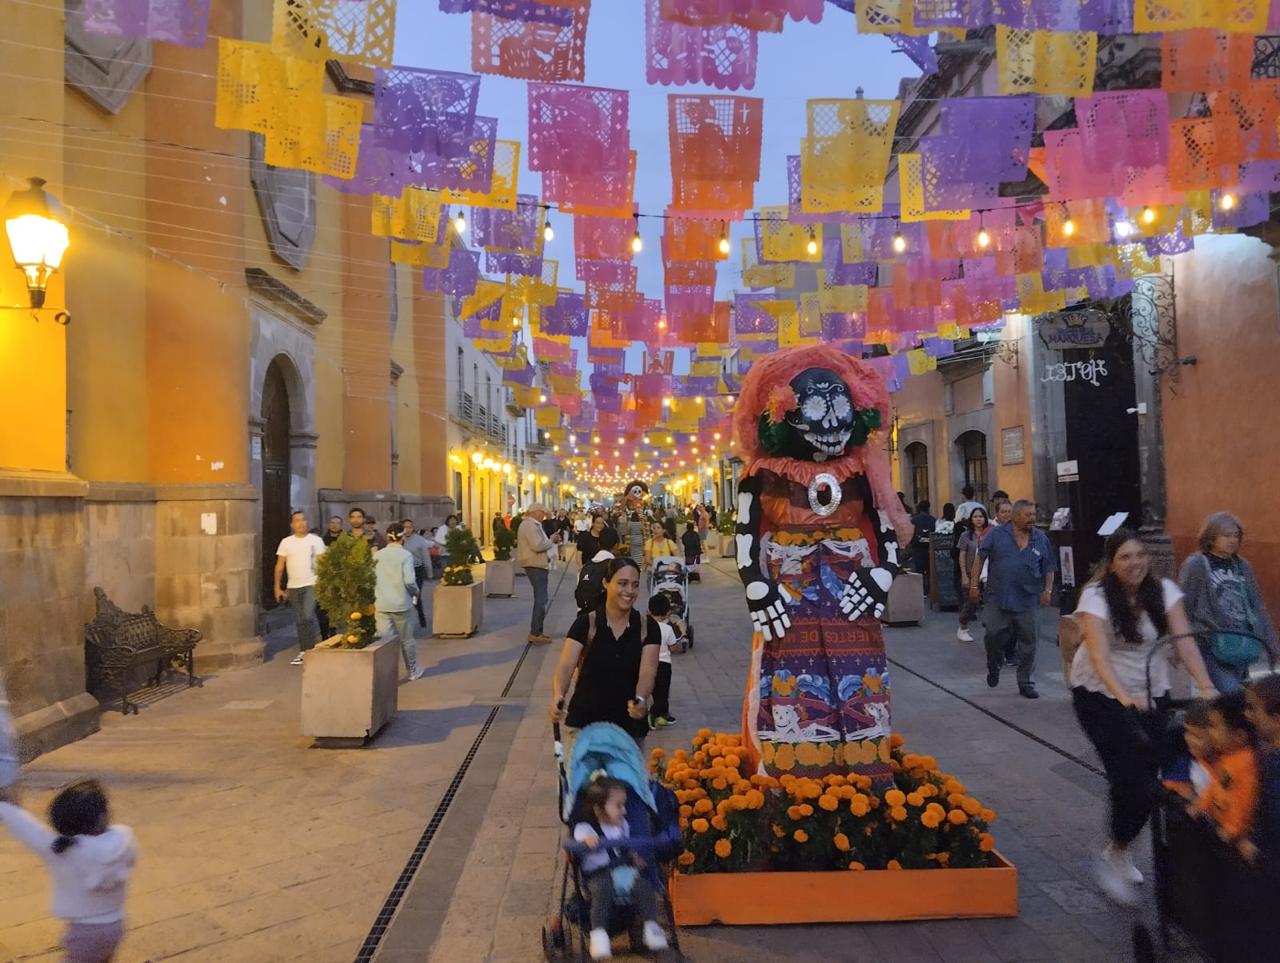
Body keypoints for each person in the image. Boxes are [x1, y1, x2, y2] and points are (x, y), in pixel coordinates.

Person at [1069, 528, 1218, 905]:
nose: (1133, 563)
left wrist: (1205, 685)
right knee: (1130, 775)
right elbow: (1100, 657)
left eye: (1139, 555)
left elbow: (1183, 641)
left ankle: (1119, 846)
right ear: (1112, 563)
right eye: (1124, 557)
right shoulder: (1097, 596)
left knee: (1153, 773)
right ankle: (1117, 850)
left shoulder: (1165, 592)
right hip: (1099, 695)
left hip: (1153, 693)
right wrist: (1125, 698)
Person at [0, 779, 136, 962]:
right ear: (103, 816)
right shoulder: (123, 841)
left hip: (83, 933)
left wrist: (4, 807)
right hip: (115, 926)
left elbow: (31, 830)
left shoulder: (66, 852)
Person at [550, 557, 660, 747]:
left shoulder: (646, 627)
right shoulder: (586, 623)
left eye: (635, 585)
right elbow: (566, 666)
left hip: (628, 729)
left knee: (624, 778)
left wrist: (641, 699)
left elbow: (648, 672)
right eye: (622, 584)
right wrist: (558, 694)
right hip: (584, 727)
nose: (629, 591)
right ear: (606, 583)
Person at [1179, 511, 1278, 695]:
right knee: (1232, 692)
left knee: (1235, 696)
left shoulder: (1242, 565)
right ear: (1211, 536)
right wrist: (1180, 644)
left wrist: (1271, 644)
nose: (1232, 541)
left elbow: (1257, 605)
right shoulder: (1197, 565)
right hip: (1211, 642)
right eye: (1226, 535)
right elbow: (1184, 606)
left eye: (1235, 536)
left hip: (1241, 641)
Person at [572, 776, 669, 960]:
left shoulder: (622, 825)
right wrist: (587, 842)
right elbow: (578, 840)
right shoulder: (586, 828)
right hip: (597, 874)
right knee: (602, 891)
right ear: (599, 809)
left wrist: (634, 856)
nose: (624, 811)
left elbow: (625, 847)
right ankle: (599, 934)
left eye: (624, 805)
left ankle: (652, 927)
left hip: (621, 871)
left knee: (643, 886)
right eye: (618, 806)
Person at [970, 499, 1055, 698]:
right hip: (998, 597)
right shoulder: (997, 534)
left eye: (1033, 515)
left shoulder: (1040, 538)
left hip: (1029, 599)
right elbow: (980, 557)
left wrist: (1048, 591)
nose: (1032, 519)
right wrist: (974, 584)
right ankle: (994, 663)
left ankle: (1025, 682)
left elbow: (1049, 567)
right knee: (993, 634)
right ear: (1015, 516)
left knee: (1029, 642)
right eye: (1028, 515)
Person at [1194, 692, 1259, 843]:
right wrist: (1203, 805)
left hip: (1234, 837)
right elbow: (1216, 785)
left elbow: (1245, 800)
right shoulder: (1226, 757)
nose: (1209, 732)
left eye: (1214, 726)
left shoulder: (1246, 763)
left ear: (1239, 736)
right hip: (1220, 826)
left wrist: (1232, 829)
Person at [273, 511, 326, 666]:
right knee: (300, 620)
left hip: (312, 583)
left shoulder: (316, 541)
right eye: (297, 521)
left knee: (308, 615)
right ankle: (305, 649)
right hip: (293, 586)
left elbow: (322, 564)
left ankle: (318, 646)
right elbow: (279, 567)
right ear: (292, 524)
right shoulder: (286, 542)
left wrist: (324, 584)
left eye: (303, 520)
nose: (301, 523)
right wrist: (277, 587)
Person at [374, 523, 423, 680]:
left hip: (381, 603)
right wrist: (416, 592)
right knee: (407, 640)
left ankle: (384, 673)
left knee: (383, 642)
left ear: (387, 537)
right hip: (402, 603)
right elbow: (409, 581)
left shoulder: (377, 555)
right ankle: (412, 671)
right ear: (403, 538)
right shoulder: (405, 555)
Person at [1245, 675, 1280, 874]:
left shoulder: (1273, 762)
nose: (1248, 715)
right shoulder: (1269, 757)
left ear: (1276, 719)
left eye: (1254, 709)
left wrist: (1257, 840)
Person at [519, 504, 558, 644]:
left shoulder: (534, 525)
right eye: (542, 512)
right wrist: (551, 541)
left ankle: (537, 631)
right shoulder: (529, 526)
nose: (543, 515)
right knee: (541, 599)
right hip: (534, 564)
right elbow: (537, 546)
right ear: (535, 512)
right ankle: (535, 632)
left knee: (541, 598)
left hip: (537, 564)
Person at [956, 506, 991, 643]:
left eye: (981, 517)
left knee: (989, 601)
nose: (978, 519)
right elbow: (962, 555)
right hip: (971, 573)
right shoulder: (966, 536)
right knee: (971, 603)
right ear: (971, 519)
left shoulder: (990, 533)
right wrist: (964, 574)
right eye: (975, 517)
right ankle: (963, 627)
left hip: (987, 573)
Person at [647, 593, 677, 728]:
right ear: (667, 613)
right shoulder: (668, 628)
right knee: (663, 692)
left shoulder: (645, 627)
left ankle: (663, 715)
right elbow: (673, 647)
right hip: (664, 664)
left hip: (649, 663)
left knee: (655, 691)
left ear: (649, 611)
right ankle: (652, 714)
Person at [575, 526, 620, 613]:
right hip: (607, 618)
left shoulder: (587, 566)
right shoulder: (616, 567)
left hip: (585, 617)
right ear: (616, 545)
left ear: (598, 544)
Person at [401, 519, 434, 629]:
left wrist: (430, 573)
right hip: (403, 571)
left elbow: (426, 557)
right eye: (405, 527)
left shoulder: (420, 540)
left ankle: (420, 615)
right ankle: (408, 618)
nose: (407, 530)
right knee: (405, 596)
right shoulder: (399, 540)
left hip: (417, 570)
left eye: (409, 527)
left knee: (416, 594)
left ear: (413, 528)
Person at [910, 500, 936, 591]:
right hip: (929, 547)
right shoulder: (933, 519)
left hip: (917, 547)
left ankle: (921, 589)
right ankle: (930, 588)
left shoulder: (914, 520)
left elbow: (911, 533)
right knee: (929, 569)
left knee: (919, 570)